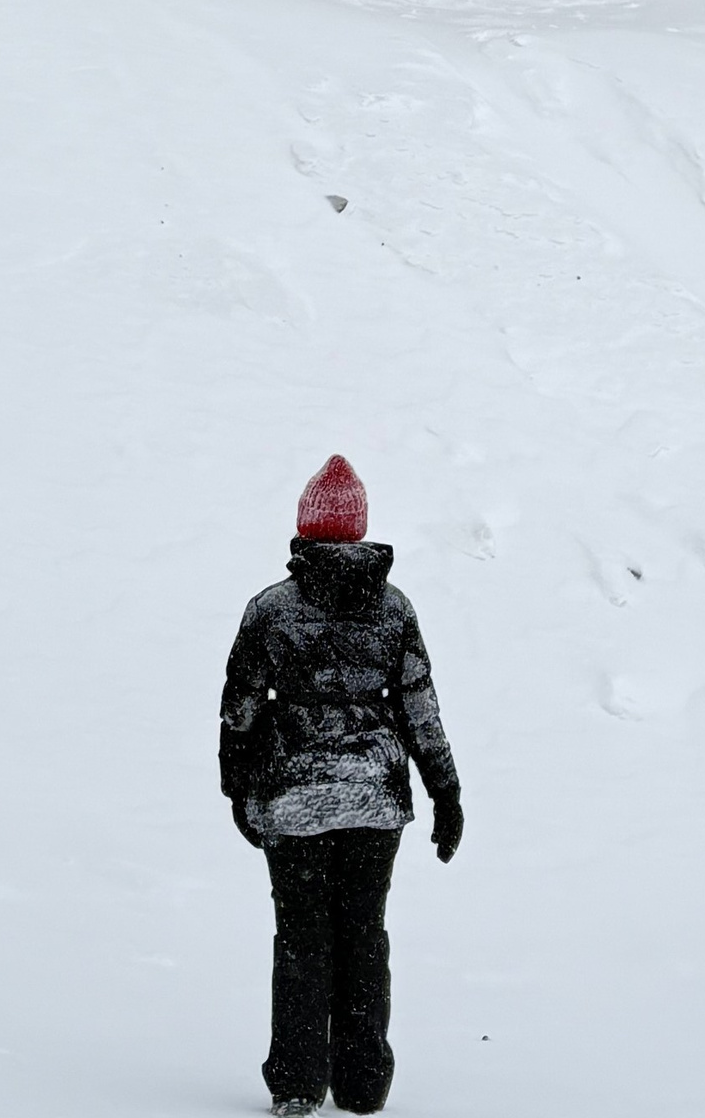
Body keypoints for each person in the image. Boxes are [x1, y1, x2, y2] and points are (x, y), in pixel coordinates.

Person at [220, 455, 463, 1118]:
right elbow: (419, 705)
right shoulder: (395, 609)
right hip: (375, 800)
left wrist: (235, 786)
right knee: (364, 933)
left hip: (292, 798)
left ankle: (298, 1086)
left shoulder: (270, 610)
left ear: (304, 529)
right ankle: (361, 1086)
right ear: (359, 532)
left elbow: (241, 706)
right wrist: (445, 790)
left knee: (302, 937)